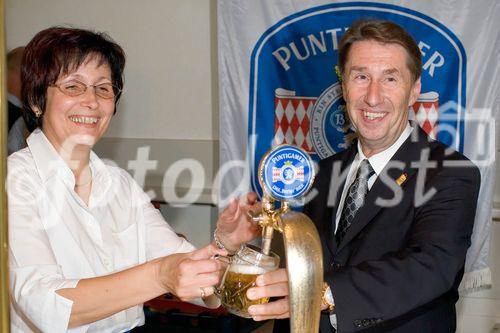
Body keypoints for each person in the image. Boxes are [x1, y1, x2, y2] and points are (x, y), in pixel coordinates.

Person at [7, 27, 259, 333]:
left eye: (103, 88)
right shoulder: (14, 180)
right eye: (73, 86)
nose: (91, 101)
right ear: (36, 100)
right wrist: (159, 275)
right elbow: (44, 306)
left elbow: (183, 269)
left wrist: (224, 245)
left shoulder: (118, 183)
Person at [245, 20, 481, 332]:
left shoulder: (450, 173)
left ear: (415, 90)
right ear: (343, 87)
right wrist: (251, 239)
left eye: (390, 79)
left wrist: (324, 293)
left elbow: (432, 267)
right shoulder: (326, 172)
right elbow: (309, 264)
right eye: (361, 77)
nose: (372, 97)